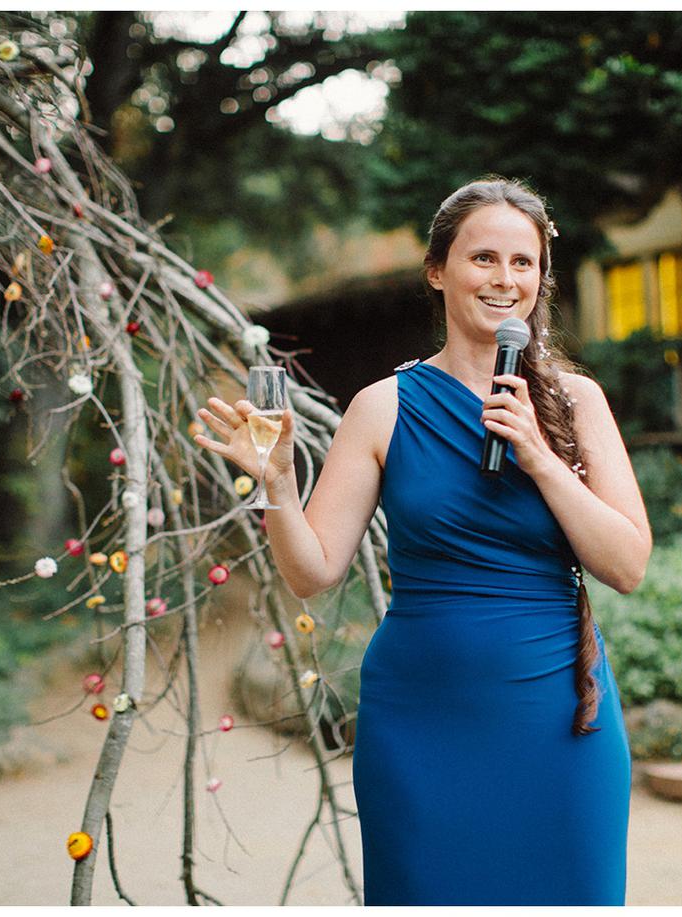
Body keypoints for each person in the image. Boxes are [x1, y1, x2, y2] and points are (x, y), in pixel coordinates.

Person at [193, 177, 651, 905]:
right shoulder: (381, 408)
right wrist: (278, 483)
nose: (505, 279)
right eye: (483, 258)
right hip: (423, 721)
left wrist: (538, 456)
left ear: (541, 277)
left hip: (559, 719)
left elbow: (626, 565)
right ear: (438, 270)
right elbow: (312, 573)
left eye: (523, 262)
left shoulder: (575, 401)